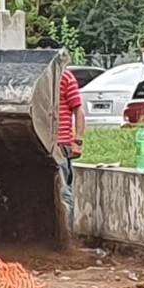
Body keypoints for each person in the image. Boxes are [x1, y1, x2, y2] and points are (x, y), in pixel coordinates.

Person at [58, 66, 86, 230]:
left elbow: (78, 111)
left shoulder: (66, 78)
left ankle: (66, 236)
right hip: (39, 144)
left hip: (60, 146)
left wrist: (78, 141)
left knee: (63, 192)